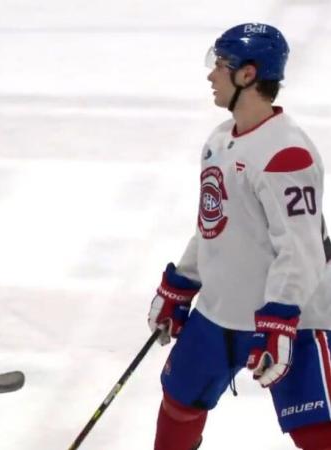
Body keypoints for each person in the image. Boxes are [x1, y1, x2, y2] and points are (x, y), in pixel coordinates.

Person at [147, 23, 331, 450]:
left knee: (316, 431)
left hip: (291, 318)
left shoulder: (287, 153)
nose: (212, 75)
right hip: (220, 311)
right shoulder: (218, 141)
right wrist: (182, 284)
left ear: (248, 75)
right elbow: (215, 224)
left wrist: (280, 318)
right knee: (180, 402)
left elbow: (300, 251)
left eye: (221, 66)